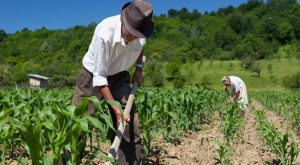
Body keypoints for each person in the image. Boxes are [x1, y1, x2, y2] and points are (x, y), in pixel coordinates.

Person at [59, 0, 154, 164]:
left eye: (136, 35)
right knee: (77, 124)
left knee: (130, 124)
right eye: (130, 33)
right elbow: (100, 78)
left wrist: (138, 69)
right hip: (92, 76)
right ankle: (67, 162)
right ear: (123, 21)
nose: (132, 38)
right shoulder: (105, 32)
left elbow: (140, 48)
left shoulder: (141, 31)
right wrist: (116, 109)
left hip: (120, 75)